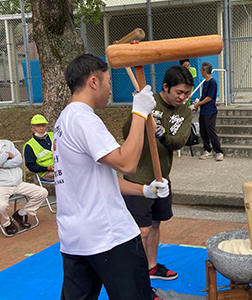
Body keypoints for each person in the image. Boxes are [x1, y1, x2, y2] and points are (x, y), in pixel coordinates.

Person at [54, 54, 169, 300]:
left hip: (77, 239)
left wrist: (145, 190)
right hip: (109, 238)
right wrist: (139, 113)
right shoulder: (84, 119)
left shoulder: (64, 120)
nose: (110, 89)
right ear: (93, 82)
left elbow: (100, 182)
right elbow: (127, 162)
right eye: (108, 82)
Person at [122, 65, 194, 281]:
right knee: (141, 230)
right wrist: (138, 111)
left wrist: (162, 135)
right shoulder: (148, 102)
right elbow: (126, 133)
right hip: (138, 178)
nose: (182, 97)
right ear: (165, 87)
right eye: (178, 92)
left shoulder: (185, 111)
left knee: (155, 224)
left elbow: (179, 141)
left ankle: (151, 266)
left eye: (186, 93)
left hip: (162, 179)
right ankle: (138, 275)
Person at [0, 118, 47, 235]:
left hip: (17, 182)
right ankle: (7, 224)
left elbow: (18, 159)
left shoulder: (8, 143)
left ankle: (21, 214)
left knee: (42, 193)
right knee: (0, 206)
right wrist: (6, 155)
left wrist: (1, 164)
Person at [192, 61, 224, 161]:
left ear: (205, 71)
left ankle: (218, 152)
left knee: (210, 131)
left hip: (210, 111)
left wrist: (198, 104)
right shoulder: (205, 82)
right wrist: (198, 101)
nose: (200, 71)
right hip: (203, 111)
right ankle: (207, 150)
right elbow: (204, 96)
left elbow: (209, 97)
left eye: (201, 69)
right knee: (203, 131)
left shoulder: (212, 82)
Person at [24, 114, 55, 181]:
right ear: (32, 128)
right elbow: (31, 165)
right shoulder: (29, 145)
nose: (41, 128)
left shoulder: (54, 135)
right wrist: (47, 168)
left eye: (43, 125)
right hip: (47, 172)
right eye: (38, 126)